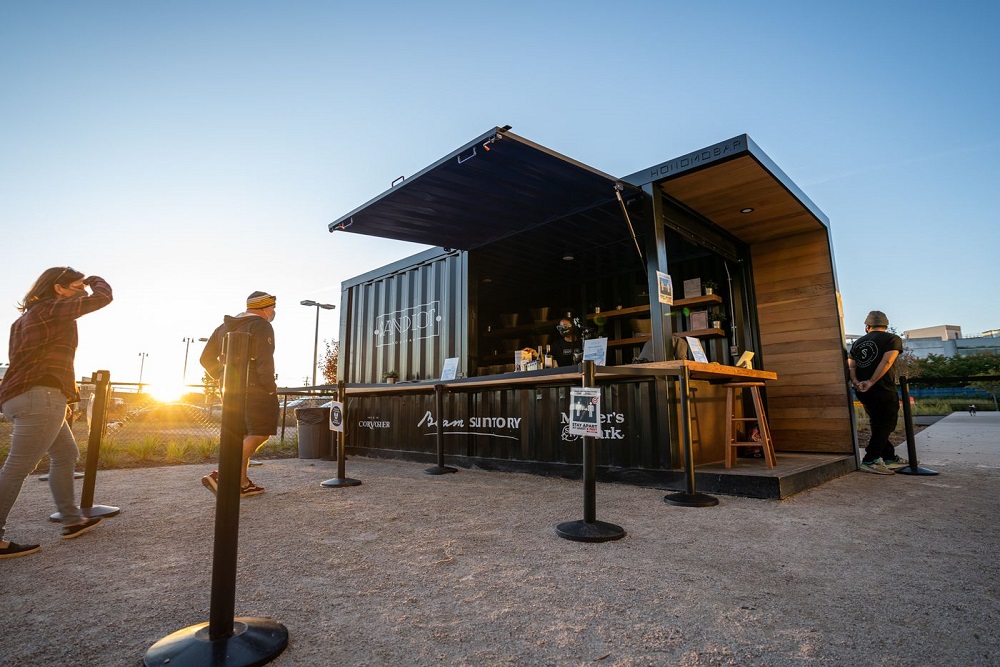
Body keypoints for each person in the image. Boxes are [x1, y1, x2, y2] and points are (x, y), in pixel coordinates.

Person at [0, 267, 113, 559]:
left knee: (65, 454)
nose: (83, 292)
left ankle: (72, 520)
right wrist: (94, 280)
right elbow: (103, 298)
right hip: (41, 397)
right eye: (77, 287)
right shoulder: (53, 307)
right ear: (59, 289)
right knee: (18, 468)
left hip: (22, 396)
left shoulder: (24, 318)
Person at [199, 291, 279, 497]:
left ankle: (241, 483)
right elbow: (264, 359)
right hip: (255, 386)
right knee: (261, 431)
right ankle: (223, 474)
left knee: (243, 434)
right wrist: (269, 386)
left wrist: (223, 375)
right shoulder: (261, 325)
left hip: (230, 388)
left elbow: (205, 358)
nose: (274, 311)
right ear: (264, 308)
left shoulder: (224, 327)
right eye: (272, 307)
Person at [848, 310, 906, 475]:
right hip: (882, 387)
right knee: (888, 422)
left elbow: (852, 365)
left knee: (877, 423)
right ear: (885, 325)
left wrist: (857, 382)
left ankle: (888, 457)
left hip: (862, 389)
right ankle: (871, 459)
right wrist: (871, 381)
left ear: (867, 326)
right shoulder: (892, 339)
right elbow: (887, 361)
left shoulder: (858, 342)